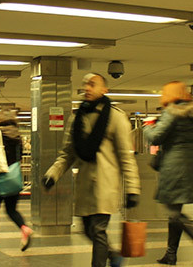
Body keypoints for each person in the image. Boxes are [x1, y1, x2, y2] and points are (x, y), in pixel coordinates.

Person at [43, 73, 141, 267]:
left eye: (92, 84)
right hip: (85, 185)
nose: (87, 88)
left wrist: (133, 189)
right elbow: (68, 153)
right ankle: (113, 255)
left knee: (97, 230)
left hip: (105, 184)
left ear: (104, 89)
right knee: (87, 229)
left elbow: (126, 156)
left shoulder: (115, 117)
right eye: (85, 84)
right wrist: (52, 174)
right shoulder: (77, 117)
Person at [143, 81, 193, 265]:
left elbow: (156, 137)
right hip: (190, 164)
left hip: (173, 166)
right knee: (175, 211)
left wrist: (147, 127)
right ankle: (171, 253)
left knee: (173, 212)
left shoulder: (171, 112)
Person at [0, 109, 34, 251]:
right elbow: (20, 155)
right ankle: (24, 227)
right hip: (13, 176)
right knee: (11, 209)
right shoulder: (17, 135)